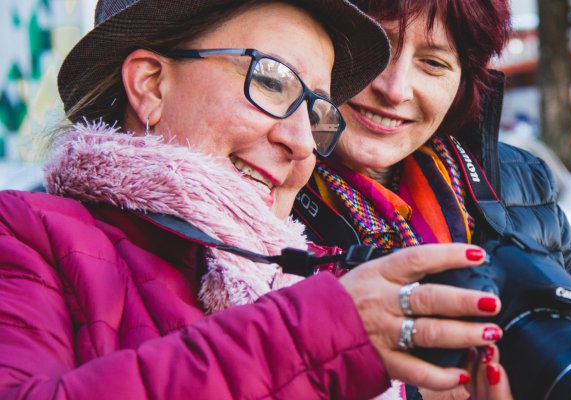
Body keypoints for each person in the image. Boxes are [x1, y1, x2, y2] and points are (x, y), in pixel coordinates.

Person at [0, 0, 509, 398]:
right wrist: (315, 338)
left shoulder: (314, 273)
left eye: (317, 112)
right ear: (150, 84)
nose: (302, 142)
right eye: (271, 81)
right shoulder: (22, 234)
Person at [291, 0, 571, 397]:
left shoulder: (522, 180)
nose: (395, 89)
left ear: (463, 81)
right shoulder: (259, 183)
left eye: (433, 63)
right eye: (376, 48)